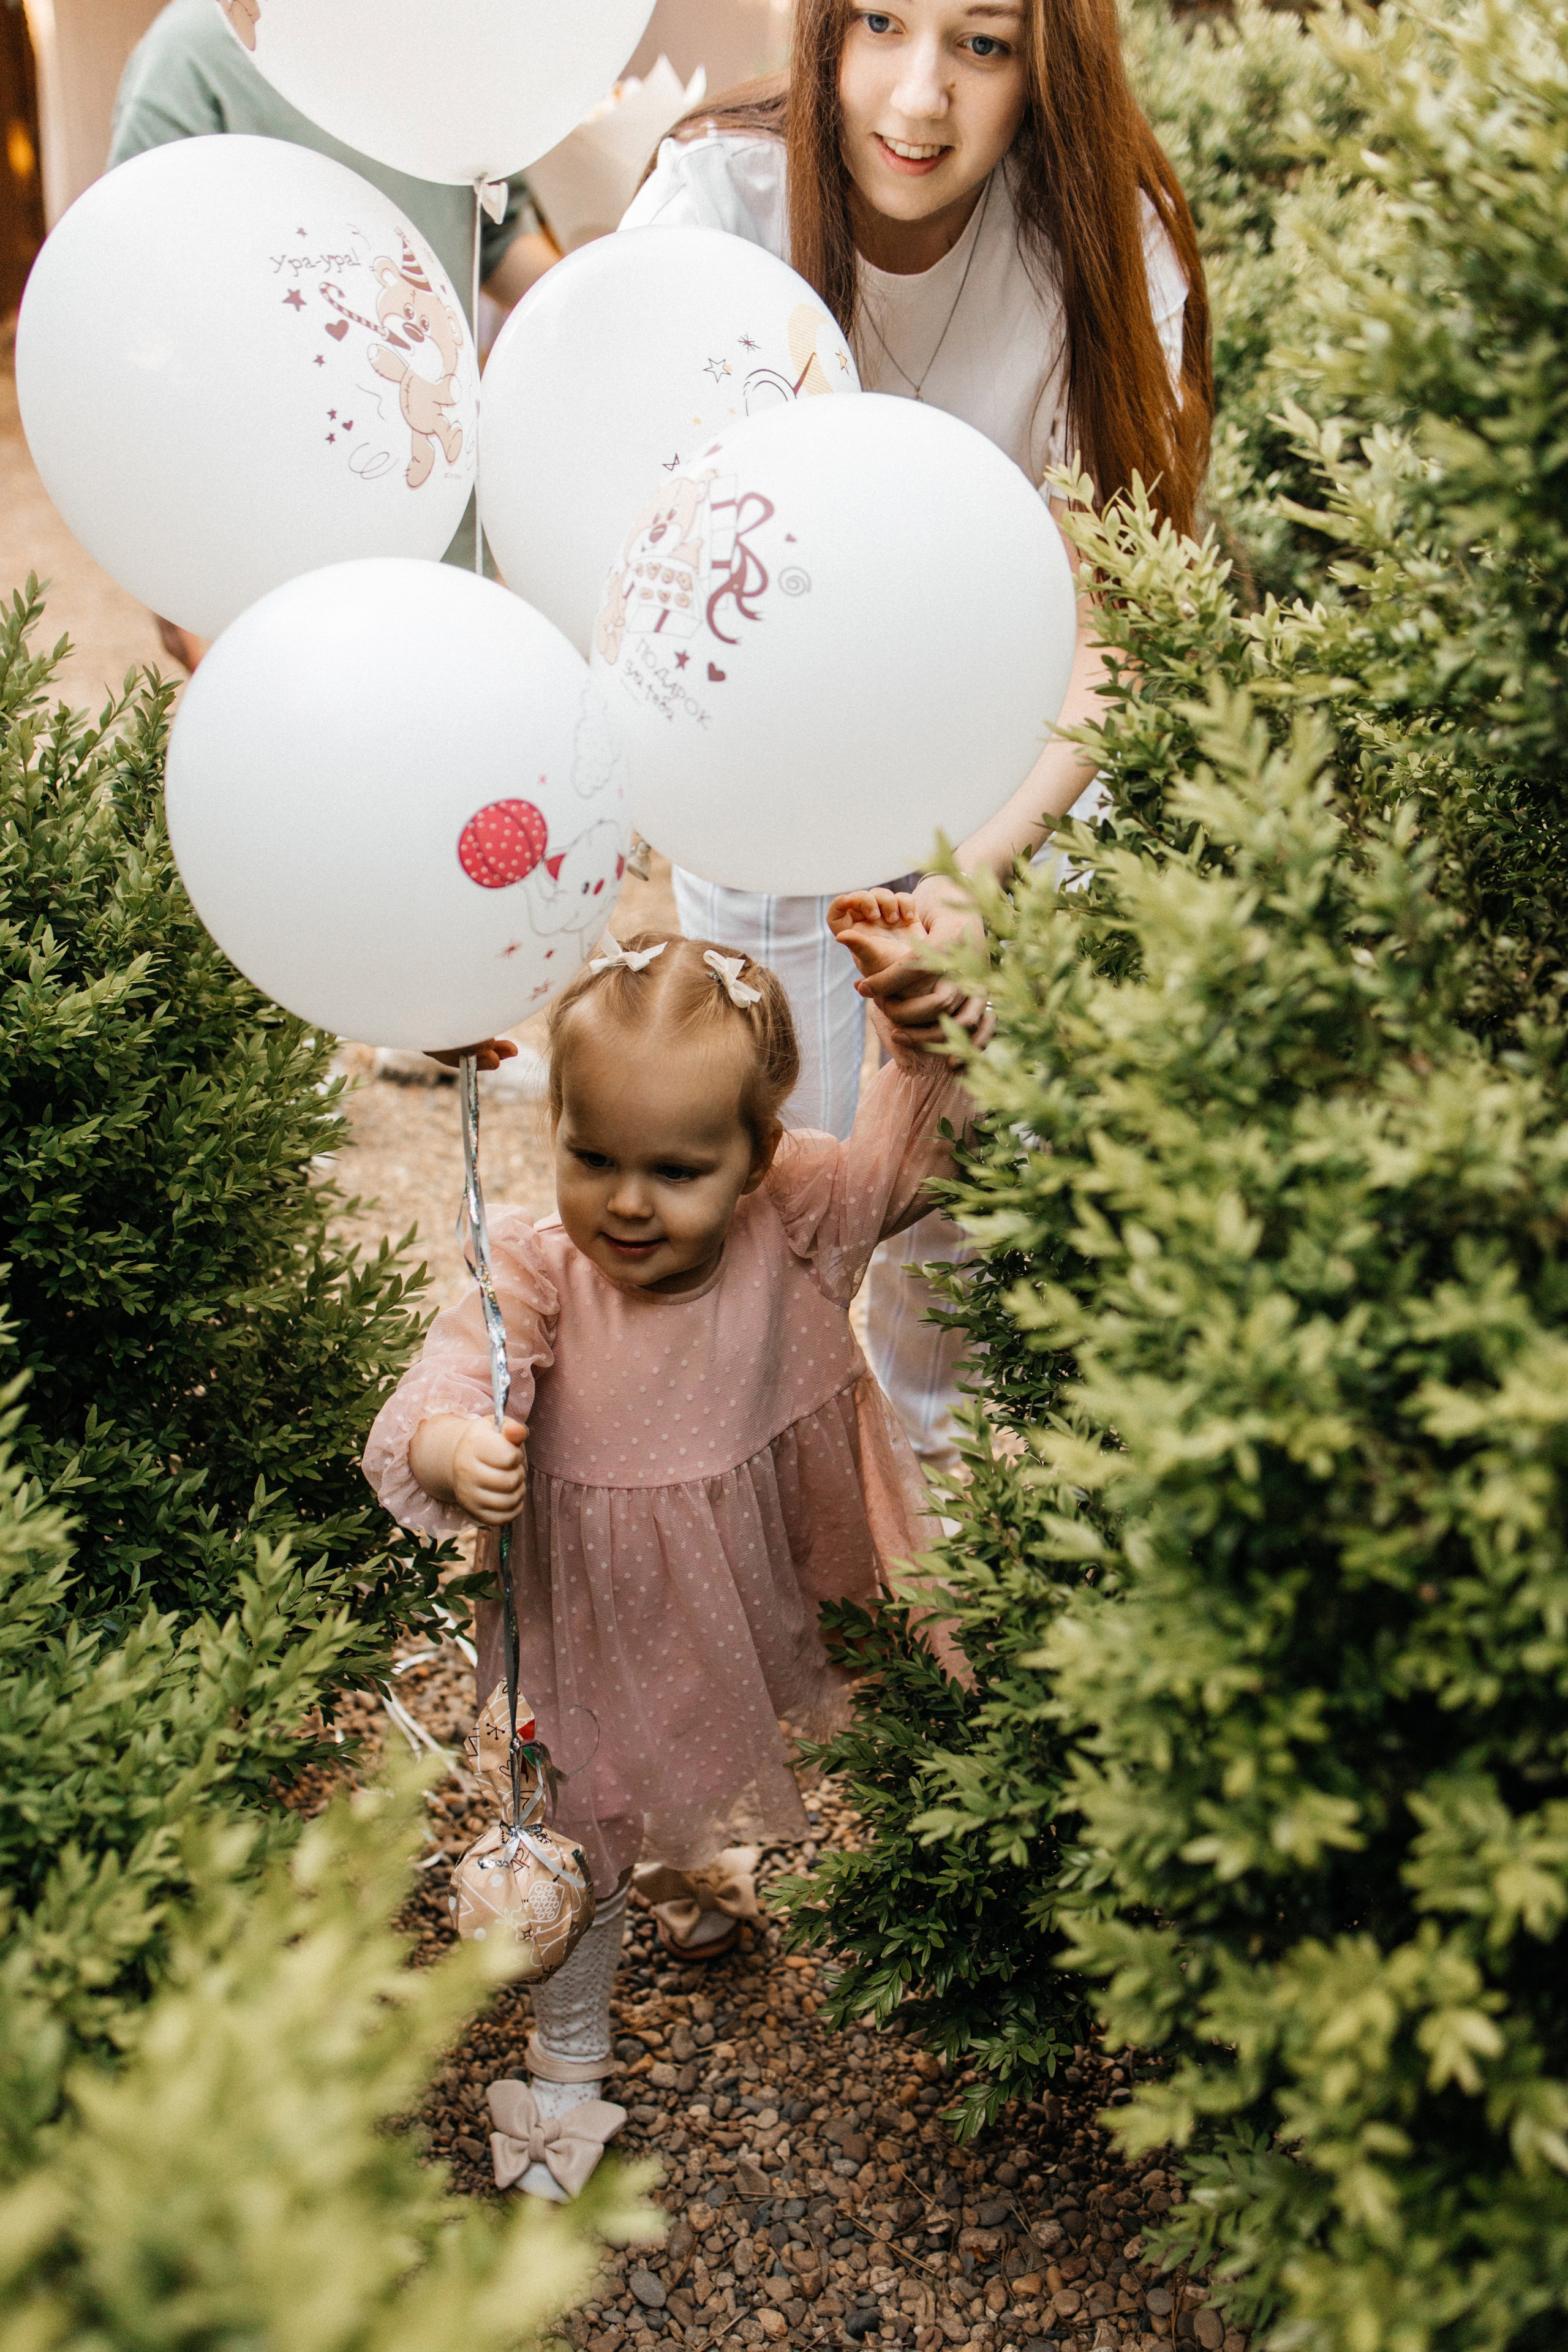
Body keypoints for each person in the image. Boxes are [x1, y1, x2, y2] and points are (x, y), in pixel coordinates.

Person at [618, 0, 1212, 1467]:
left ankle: (953, 1611)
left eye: (982, 44)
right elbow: (621, 556)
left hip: (1014, 784)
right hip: (760, 766)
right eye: (878, 22)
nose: (918, 97)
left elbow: (1113, 626)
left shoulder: (1098, 230)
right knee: (784, 1208)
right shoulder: (714, 201)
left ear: (1046, 64)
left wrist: (974, 869)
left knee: (966, 1238)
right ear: (818, 28)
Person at [363, 894, 978, 2198]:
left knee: (730, 1718)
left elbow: (910, 1162)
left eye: (678, 1172)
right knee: (588, 1804)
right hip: (594, 1610)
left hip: (763, 1569)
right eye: (593, 1160)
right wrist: (453, 1449)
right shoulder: (542, 1273)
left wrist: (918, 1034)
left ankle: (703, 1864)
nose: (626, 1205)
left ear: (758, 1156)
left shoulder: (802, 1220)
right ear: (558, 1136)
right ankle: (569, 2054)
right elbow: (454, 1371)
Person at [107, 0, 559, 667]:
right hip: (272, 512)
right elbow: (135, 312)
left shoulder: (439, 41)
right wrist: (171, 566)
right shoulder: (196, 53)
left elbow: (498, 236)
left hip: (440, 497)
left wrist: (602, 293)